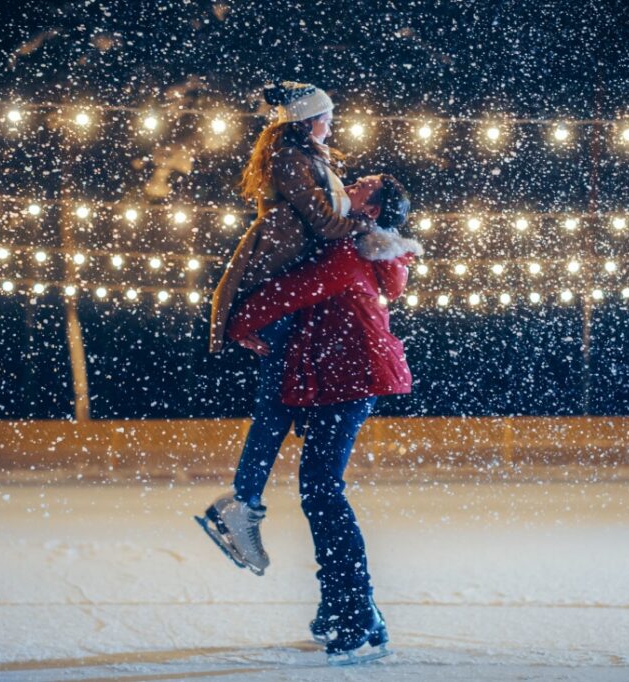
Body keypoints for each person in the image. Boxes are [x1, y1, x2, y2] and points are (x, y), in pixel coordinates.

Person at [226, 176, 418, 664]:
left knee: (322, 491)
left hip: (349, 377)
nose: (350, 183)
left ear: (371, 210)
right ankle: (341, 609)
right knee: (319, 490)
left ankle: (356, 614)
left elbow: (292, 291)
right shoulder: (357, 250)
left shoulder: (349, 254)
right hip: (344, 378)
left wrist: (236, 320)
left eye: (363, 184)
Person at [197, 81, 376, 576]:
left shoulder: (303, 157)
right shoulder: (288, 157)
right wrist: (367, 227)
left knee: (279, 404)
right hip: (273, 280)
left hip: (285, 285)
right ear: (308, 120)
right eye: (327, 116)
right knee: (275, 406)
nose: (331, 124)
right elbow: (323, 222)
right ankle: (242, 503)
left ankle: (243, 502)